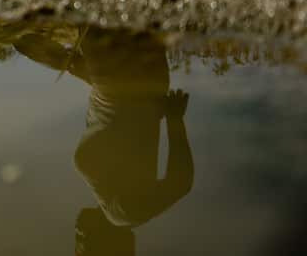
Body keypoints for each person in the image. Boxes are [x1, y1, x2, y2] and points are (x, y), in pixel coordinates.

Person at [14, 28, 194, 256]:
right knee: (96, 10)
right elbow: (180, 183)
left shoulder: (112, 200)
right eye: (81, 246)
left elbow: (114, 118)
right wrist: (175, 121)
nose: (77, 231)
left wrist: (61, 61)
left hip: (133, 81)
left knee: (113, 10)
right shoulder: (124, 213)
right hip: (128, 79)